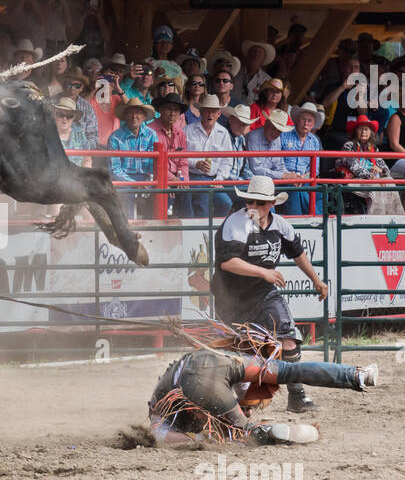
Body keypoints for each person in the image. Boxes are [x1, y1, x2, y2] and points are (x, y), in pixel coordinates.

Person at [210, 175, 330, 413]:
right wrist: (264, 272)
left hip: (264, 295)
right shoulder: (237, 223)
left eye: (260, 203)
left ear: (271, 204)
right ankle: (237, 403)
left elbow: (297, 253)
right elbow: (228, 263)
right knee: (241, 352)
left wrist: (317, 280)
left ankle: (297, 396)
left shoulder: (280, 226)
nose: (254, 207)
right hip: (231, 298)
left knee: (288, 337)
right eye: (251, 201)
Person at [147, 324, 377, 446]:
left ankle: (271, 431)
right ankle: (355, 374)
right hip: (218, 363)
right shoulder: (225, 359)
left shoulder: (162, 402)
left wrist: (196, 439)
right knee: (289, 370)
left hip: (204, 375)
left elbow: (159, 434)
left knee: (242, 431)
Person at [106, 98, 158, 219]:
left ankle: (153, 225)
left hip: (147, 177)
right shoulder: (115, 138)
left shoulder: (151, 135)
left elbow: (155, 164)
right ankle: (129, 228)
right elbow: (115, 170)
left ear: (144, 116)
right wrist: (135, 184)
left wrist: (148, 181)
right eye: (130, 113)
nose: (134, 116)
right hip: (125, 178)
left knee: (161, 190)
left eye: (138, 112)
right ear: (125, 117)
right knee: (125, 192)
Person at [183, 95, 233, 217]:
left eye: (213, 112)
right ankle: (203, 229)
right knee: (202, 201)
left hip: (212, 179)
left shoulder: (223, 133)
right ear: (201, 112)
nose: (210, 115)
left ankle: (214, 229)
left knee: (225, 203)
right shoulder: (187, 130)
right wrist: (196, 163)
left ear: (219, 114)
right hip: (191, 176)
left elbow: (227, 161)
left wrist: (219, 179)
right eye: (207, 111)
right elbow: (180, 157)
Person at [280, 102, 324, 216]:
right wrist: (291, 176)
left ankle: (314, 218)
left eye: (309, 121)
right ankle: (313, 219)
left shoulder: (314, 141)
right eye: (303, 119)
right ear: (297, 120)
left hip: (305, 180)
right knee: (298, 191)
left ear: (313, 124)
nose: (306, 123)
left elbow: (315, 169)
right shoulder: (284, 135)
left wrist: (303, 178)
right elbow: (277, 161)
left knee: (323, 191)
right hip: (285, 179)